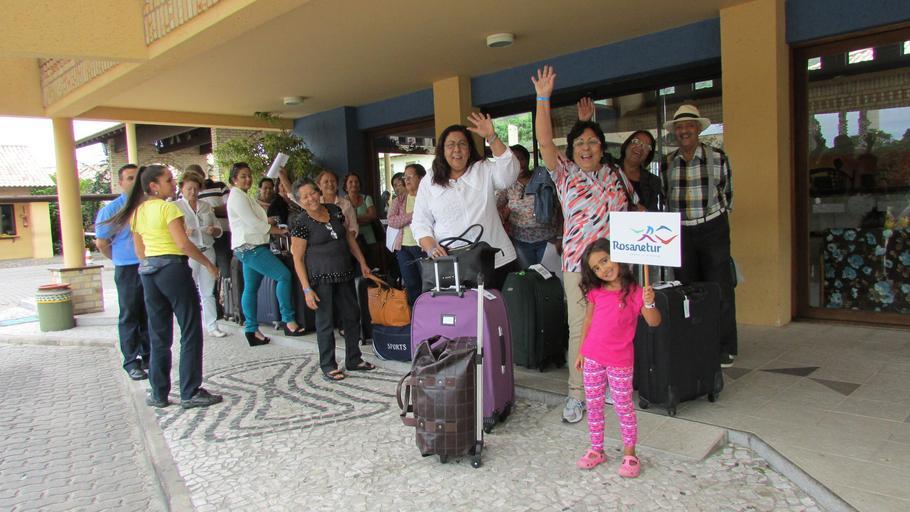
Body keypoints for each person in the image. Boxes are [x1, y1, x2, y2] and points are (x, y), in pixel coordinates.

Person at [532, 66, 637, 423]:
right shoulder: (564, 174)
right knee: (582, 329)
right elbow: (545, 142)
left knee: (616, 326)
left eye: (592, 142)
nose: (586, 148)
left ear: (602, 147)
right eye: (579, 143)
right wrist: (543, 98)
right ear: (571, 150)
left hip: (616, 266)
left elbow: (632, 214)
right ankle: (578, 394)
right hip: (578, 265)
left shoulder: (615, 175)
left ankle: (607, 385)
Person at [103, 164, 223, 409]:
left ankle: (158, 393)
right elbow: (183, 244)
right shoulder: (168, 208)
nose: (173, 183)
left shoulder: (137, 212)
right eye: (168, 180)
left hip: (149, 273)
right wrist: (208, 264)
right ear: (153, 186)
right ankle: (190, 391)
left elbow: (140, 251)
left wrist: (150, 267)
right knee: (190, 329)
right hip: (173, 270)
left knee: (158, 333)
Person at [574, 239, 660, 478]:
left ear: (618, 256)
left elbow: (654, 321)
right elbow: (588, 321)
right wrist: (581, 351)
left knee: (624, 407)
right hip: (592, 357)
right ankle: (596, 449)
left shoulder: (636, 293)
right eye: (596, 268)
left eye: (605, 260)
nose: (603, 269)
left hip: (620, 361)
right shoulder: (595, 292)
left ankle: (630, 454)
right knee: (594, 405)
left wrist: (649, 301)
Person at [662, 104, 737, 368]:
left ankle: (724, 347)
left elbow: (727, 194)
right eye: (679, 127)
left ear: (698, 129)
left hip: (712, 227)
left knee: (719, 287)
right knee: (687, 288)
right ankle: (694, 340)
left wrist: (716, 220)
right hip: (681, 231)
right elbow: (665, 196)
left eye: (689, 126)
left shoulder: (717, 157)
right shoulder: (667, 162)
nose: (684, 131)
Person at [411, 114, 520, 289]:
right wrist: (431, 248)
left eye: (462, 144)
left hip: (495, 260)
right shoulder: (429, 180)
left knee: (499, 306)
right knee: (462, 308)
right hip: (451, 265)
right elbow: (420, 223)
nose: (457, 149)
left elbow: (509, 174)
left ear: (469, 150)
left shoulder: (483, 168)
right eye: (450, 145)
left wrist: (492, 137)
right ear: (442, 150)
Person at [289, 178, 376, 382]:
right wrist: (306, 289)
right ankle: (328, 365)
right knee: (325, 322)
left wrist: (362, 262)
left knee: (352, 316)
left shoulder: (335, 211)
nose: (311, 198)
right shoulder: (300, 222)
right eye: (305, 197)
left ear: (318, 191)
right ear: (300, 201)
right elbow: (297, 258)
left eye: (312, 193)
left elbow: (348, 238)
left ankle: (354, 359)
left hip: (344, 273)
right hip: (320, 279)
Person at [226, 162, 306, 345]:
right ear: (234, 179)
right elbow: (254, 224)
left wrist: (269, 221)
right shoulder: (237, 197)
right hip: (251, 247)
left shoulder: (242, 196)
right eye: (243, 176)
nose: (248, 179)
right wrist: (278, 230)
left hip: (248, 247)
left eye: (249, 175)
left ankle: (251, 330)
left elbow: (254, 220)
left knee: (251, 288)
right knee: (283, 276)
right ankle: (288, 321)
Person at [94, 164, 150, 381]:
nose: (134, 182)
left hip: (149, 265)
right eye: (130, 178)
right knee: (130, 315)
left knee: (149, 313)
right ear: (120, 183)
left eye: (137, 178)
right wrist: (119, 259)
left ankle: (149, 356)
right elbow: (102, 243)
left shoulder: (148, 205)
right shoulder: (111, 210)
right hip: (127, 268)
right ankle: (131, 361)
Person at [174, 172, 227, 338]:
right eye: (189, 189)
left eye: (196, 189)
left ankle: (212, 325)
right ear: (182, 189)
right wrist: (183, 232)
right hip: (189, 253)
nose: (193, 192)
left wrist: (213, 230)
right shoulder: (175, 207)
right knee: (189, 290)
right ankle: (190, 326)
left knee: (208, 291)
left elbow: (218, 230)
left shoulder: (205, 206)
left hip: (207, 249)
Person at [497, 144, 561, 268]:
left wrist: (560, 237)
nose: (518, 163)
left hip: (548, 240)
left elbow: (560, 209)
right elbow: (494, 207)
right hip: (520, 242)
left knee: (548, 276)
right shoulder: (507, 184)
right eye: (513, 160)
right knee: (528, 276)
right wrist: (504, 213)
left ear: (527, 160)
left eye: (521, 158)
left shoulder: (545, 179)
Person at [387, 163, 427, 305]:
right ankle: (415, 314)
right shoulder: (399, 200)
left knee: (428, 283)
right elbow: (391, 221)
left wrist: (405, 218)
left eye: (410, 176)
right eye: (405, 177)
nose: (407, 180)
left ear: (421, 178)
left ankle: (429, 312)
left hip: (424, 247)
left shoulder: (428, 197)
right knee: (411, 284)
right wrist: (413, 215)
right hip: (403, 248)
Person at [192, 164, 232, 281]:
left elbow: (230, 207)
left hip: (223, 233)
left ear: (202, 175)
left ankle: (228, 290)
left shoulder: (220, 186)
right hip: (200, 238)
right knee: (206, 272)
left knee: (225, 267)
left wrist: (209, 210)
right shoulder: (187, 192)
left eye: (196, 175)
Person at [343, 173, 380, 268]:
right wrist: (365, 218)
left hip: (369, 239)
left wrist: (354, 219)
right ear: (346, 187)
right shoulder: (342, 202)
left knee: (372, 267)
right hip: (351, 241)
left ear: (359, 185)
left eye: (356, 182)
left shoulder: (367, 198)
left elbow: (373, 215)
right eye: (350, 182)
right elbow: (343, 221)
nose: (354, 184)